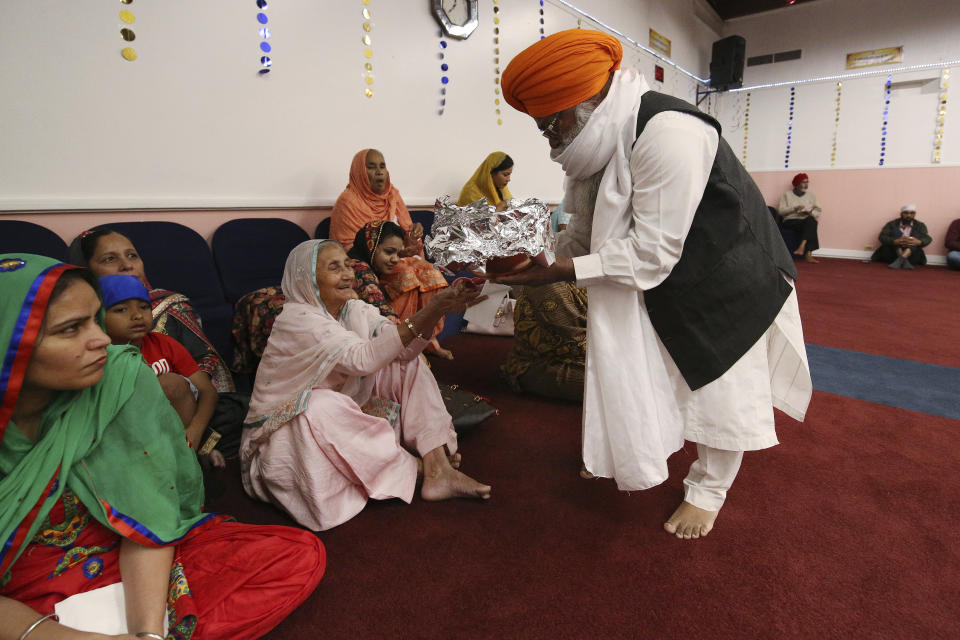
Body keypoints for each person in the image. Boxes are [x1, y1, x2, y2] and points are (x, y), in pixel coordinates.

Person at [497, 30, 812, 540]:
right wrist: (533, 262)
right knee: (655, 364)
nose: (549, 137)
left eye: (552, 122)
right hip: (662, 276)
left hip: (730, 277)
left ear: (588, 102)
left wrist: (559, 271)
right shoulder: (592, 146)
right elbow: (582, 232)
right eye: (540, 128)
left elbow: (650, 253)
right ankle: (642, 443)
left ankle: (709, 490)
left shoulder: (669, 132)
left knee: (719, 387)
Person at [0, 254, 325, 640]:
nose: (102, 338)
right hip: (26, 586)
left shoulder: (120, 378)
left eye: (95, 319)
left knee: (295, 555)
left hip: (133, 553)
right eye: (71, 329)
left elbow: (150, 517)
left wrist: (146, 634)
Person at [240, 240, 491, 532]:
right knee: (320, 405)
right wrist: (433, 307)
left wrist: (436, 312)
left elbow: (404, 350)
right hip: (287, 433)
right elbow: (363, 360)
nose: (348, 274)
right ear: (305, 280)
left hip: (347, 411)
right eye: (334, 268)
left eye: (348, 265)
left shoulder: (352, 309)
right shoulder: (297, 319)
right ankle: (418, 470)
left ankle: (438, 466)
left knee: (408, 363)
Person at [69, 230, 235, 393]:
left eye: (132, 255)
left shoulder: (171, 305)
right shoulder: (71, 318)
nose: (127, 265)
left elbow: (204, 360)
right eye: (110, 259)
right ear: (85, 270)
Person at [330, 149, 453, 358]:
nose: (379, 172)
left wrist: (414, 237)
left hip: (393, 255)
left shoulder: (392, 194)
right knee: (405, 274)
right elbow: (349, 246)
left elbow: (404, 233)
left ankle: (425, 340)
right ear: (359, 171)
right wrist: (400, 253)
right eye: (371, 167)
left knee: (431, 272)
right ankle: (396, 341)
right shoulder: (348, 201)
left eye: (382, 166)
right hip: (363, 261)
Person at [99, 275, 220, 466]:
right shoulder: (98, 357)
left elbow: (207, 391)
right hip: (127, 437)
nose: (137, 315)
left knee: (170, 384)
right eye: (121, 309)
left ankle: (192, 459)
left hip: (178, 433)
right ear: (98, 317)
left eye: (144, 307)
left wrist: (195, 432)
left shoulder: (164, 344)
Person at [777, 173, 822, 263]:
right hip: (790, 221)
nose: (806, 185)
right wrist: (795, 208)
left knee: (811, 220)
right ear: (797, 184)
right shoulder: (787, 195)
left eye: (807, 182)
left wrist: (810, 212)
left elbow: (818, 211)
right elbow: (780, 211)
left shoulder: (811, 195)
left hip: (805, 220)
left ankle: (802, 246)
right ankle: (808, 253)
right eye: (803, 182)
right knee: (812, 223)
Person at [871, 205, 933, 269]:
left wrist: (919, 242)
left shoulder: (920, 225)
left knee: (915, 235)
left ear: (915, 214)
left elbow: (927, 238)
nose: (909, 215)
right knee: (895, 232)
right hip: (893, 253)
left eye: (912, 213)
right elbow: (882, 237)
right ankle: (903, 260)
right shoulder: (892, 224)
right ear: (901, 214)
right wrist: (894, 241)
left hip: (911, 254)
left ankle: (901, 259)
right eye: (906, 213)